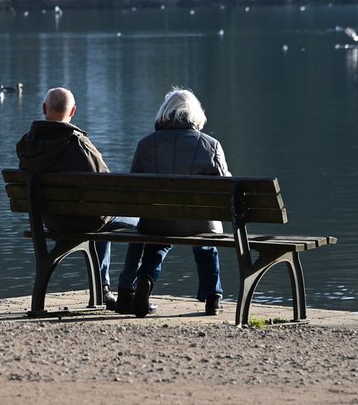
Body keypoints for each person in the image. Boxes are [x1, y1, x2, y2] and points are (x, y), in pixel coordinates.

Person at [16, 87, 143, 310]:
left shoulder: (27, 144)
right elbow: (106, 185)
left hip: (48, 220)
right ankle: (122, 289)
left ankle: (102, 288)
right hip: (85, 221)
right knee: (142, 223)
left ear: (44, 108)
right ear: (73, 111)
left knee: (101, 216)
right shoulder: (79, 144)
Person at [118, 87, 230, 317]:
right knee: (206, 245)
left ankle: (145, 279)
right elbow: (226, 188)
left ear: (165, 112)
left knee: (156, 243)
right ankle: (212, 298)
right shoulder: (211, 145)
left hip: (157, 223)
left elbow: (134, 188)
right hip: (199, 223)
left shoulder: (146, 144)